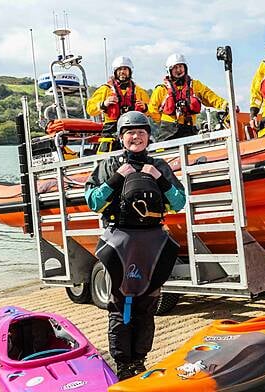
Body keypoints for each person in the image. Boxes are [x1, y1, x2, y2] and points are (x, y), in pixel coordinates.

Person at [84, 111, 186, 380]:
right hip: (120, 241)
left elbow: (178, 203)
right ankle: (122, 363)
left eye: (142, 132)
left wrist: (160, 178)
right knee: (120, 305)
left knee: (147, 304)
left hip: (151, 242)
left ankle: (139, 361)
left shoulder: (159, 165)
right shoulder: (107, 166)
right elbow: (93, 202)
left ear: (149, 137)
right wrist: (117, 178)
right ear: (121, 137)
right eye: (130, 132)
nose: (136, 136)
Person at [148, 53, 228, 141]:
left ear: (185, 68)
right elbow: (152, 109)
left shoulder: (195, 85)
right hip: (168, 131)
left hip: (190, 129)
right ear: (169, 70)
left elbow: (210, 97)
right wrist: (161, 122)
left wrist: (225, 105)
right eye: (175, 67)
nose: (178, 70)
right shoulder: (161, 89)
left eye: (181, 67)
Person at [86, 56, 158, 135]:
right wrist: (104, 104)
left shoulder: (139, 91)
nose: (122, 72)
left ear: (130, 72)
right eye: (119, 69)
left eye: (125, 69)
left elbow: (152, 112)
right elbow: (90, 110)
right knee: (106, 145)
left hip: (134, 128)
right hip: (111, 128)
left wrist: (145, 107)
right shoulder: (105, 89)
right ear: (115, 72)